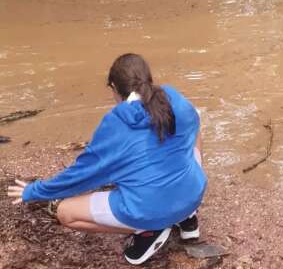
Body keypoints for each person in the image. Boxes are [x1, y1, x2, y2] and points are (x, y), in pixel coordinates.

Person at [8, 53, 207, 265]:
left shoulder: (116, 123)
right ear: (149, 78)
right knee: (194, 125)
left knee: (66, 213)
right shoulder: (172, 97)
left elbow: (82, 175)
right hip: (193, 193)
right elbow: (193, 124)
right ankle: (188, 217)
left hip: (149, 208)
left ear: (113, 87)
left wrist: (35, 191)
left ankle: (149, 230)